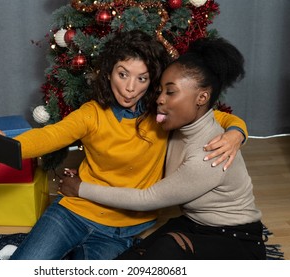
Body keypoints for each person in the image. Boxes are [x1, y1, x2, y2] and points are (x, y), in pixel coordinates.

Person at [0, 31, 248, 260]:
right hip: (72, 213)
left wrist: (237, 133)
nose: (130, 88)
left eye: (142, 79)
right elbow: (48, 136)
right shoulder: (92, 113)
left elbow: (216, 116)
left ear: (152, 80)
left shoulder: (163, 113)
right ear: (108, 72)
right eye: (123, 74)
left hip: (122, 231)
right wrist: (4, 143)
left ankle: (15, 256)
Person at [59, 36, 266, 260]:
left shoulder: (210, 153)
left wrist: (80, 188)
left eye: (170, 92)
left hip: (233, 239)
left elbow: (146, 199)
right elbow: (125, 148)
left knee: (157, 256)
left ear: (202, 97)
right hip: (193, 223)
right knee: (129, 258)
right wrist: (90, 172)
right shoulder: (178, 123)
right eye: (159, 91)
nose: (159, 99)